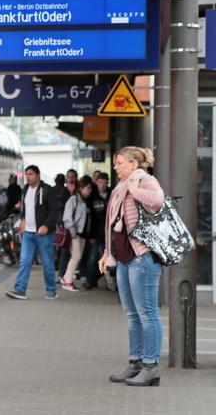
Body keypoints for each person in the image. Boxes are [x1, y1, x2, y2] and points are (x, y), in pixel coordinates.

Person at [99, 147, 165, 387]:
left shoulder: (145, 180)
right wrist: (107, 253)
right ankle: (135, 362)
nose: (115, 167)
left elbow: (157, 201)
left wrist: (135, 190)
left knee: (147, 313)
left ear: (133, 164)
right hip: (123, 257)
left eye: (119, 163)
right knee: (132, 314)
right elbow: (110, 223)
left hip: (143, 257)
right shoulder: (119, 187)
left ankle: (151, 366)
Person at [6, 165, 60, 300]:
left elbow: (54, 211)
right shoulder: (25, 189)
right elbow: (25, 207)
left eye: (31, 174)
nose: (28, 177)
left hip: (44, 234)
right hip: (28, 233)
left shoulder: (47, 190)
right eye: (26, 174)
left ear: (38, 176)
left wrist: (46, 225)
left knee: (47, 263)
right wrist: (22, 219)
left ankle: (51, 290)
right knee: (24, 261)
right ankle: (20, 289)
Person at [61, 177, 91, 292]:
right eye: (88, 188)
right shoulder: (74, 199)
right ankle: (68, 281)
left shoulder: (82, 200)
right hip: (75, 233)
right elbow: (67, 217)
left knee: (76, 257)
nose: (89, 191)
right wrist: (73, 232)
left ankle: (67, 279)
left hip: (81, 233)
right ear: (81, 188)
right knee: (76, 256)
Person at [82, 175, 107, 290]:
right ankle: (90, 280)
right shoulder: (92, 198)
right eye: (100, 182)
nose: (102, 185)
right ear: (96, 183)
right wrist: (91, 235)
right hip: (96, 234)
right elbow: (90, 218)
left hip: (108, 234)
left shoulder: (111, 195)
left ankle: (108, 281)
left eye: (104, 182)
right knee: (93, 258)